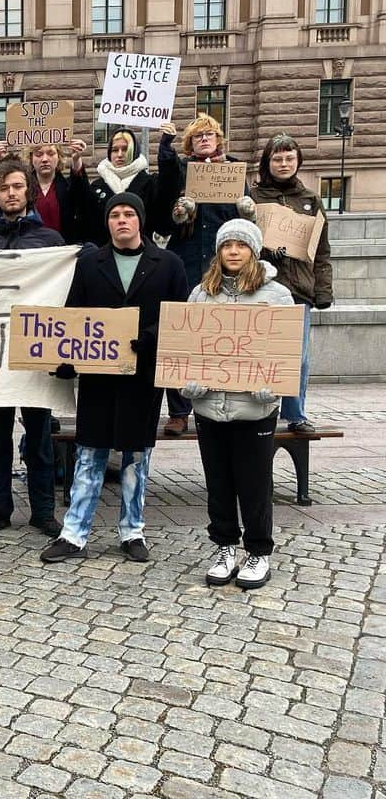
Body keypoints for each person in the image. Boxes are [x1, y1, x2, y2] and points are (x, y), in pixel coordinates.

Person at [40, 191, 189, 564]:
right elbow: (74, 315)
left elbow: (181, 314)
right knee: (90, 453)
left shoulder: (168, 264)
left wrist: (151, 338)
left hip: (142, 375)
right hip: (99, 376)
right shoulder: (91, 264)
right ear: (107, 222)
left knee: (136, 456)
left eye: (128, 214)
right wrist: (66, 358)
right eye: (114, 215)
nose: (121, 220)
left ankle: (132, 531)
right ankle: (74, 534)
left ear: (140, 221)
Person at [182, 219, 294, 590]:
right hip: (210, 406)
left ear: (254, 250)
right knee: (218, 482)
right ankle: (225, 545)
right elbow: (188, 348)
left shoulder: (276, 295)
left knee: (254, 482)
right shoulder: (200, 294)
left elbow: (287, 349)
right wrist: (188, 381)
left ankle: (259, 550)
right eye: (226, 245)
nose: (233, 251)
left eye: (241, 245)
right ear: (218, 251)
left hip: (254, 409)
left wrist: (273, 385)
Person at [0, 156, 65, 536]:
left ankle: (43, 511)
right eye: (4, 187)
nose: (11, 193)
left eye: (18, 187)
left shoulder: (50, 242)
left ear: (29, 191)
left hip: (36, 354)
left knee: (39, 436)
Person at [155, 114, 257, 436]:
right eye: (198, 135)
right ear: (190, 142)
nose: (204, 139)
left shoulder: (234, 171)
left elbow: (243, 224)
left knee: (221, 339)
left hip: (220, 267)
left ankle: (217, 404)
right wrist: (165, 146)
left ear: (219, 139)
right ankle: (179, 411)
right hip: (186, 262)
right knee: (180, 338)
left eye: (210, 134)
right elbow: (167, 178)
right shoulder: (183, 170)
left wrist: (246, 210)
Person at [251, 133, 333, 433]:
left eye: (289, 158)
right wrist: (264, 251)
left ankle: (295, 413)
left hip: (299, 288)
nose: (284, 163)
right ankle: (260, 410)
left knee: (298, 358)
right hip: (261, 286)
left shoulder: (311, 199)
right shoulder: (254, 197)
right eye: (277, 158)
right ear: (267, 162)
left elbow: (322, 250)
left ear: (298, 162)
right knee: (260, 352)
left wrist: (323, 290)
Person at [70, 126, 172, 248]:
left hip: (142, 254)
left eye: (125, 149)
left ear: (134, 151)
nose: (119, 155)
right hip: (104, 255)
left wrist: (166, 146)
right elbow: (83, 208)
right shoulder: (99, 185)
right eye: (114, 150)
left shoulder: (149, 183)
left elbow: (167, 192)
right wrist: (76, 161)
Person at [28, 140, 91, 243]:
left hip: (64, 250)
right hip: (32, 251)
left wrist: (76, 159)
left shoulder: (68, 187)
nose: (44, 159)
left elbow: (84, 199)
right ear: (31, 158)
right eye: (39, 154)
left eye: (51, 153)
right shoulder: (24, 188)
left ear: (59, 157)